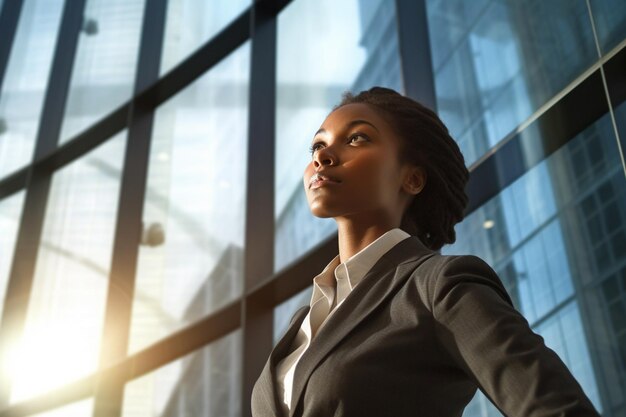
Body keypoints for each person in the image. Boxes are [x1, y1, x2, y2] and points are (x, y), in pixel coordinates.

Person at [251, 86, 600, 417]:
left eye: (357, 138)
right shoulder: (304, 321)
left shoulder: (439, 286)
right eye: (316, 145)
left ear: (412, 179)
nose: (322, 156)